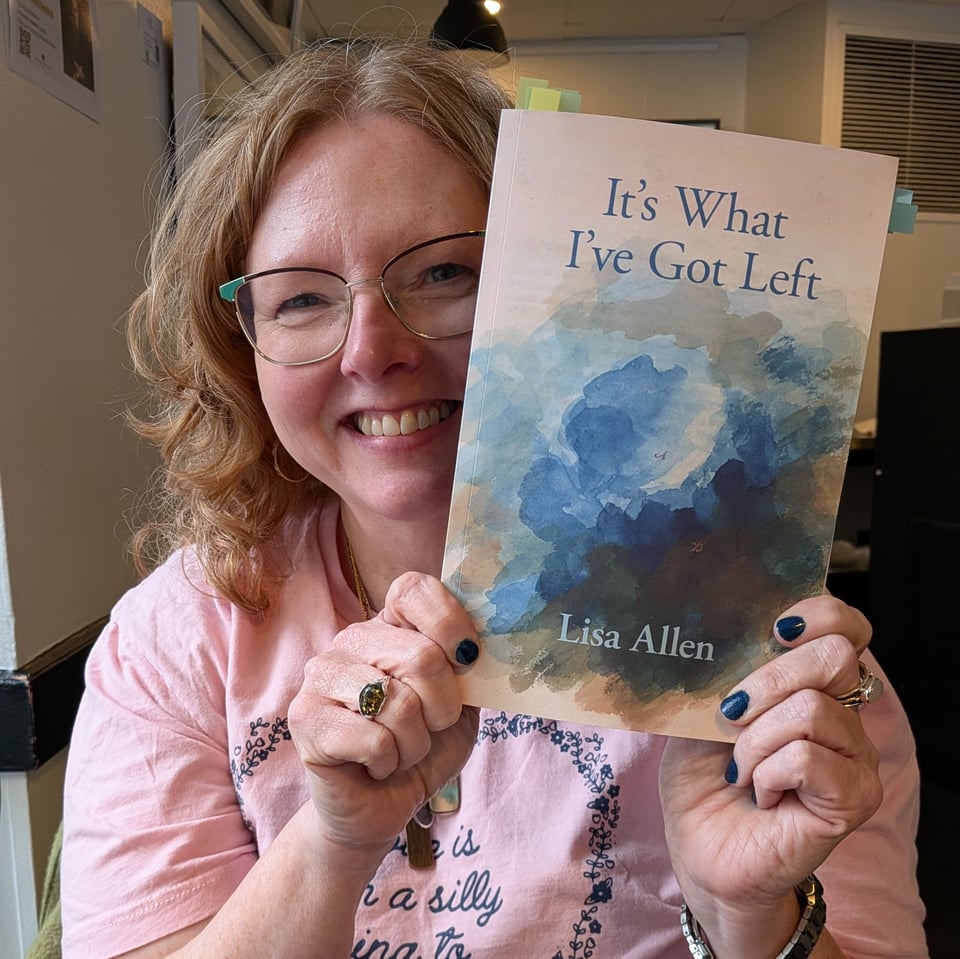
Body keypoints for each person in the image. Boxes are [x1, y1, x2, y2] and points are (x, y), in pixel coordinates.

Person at [61, 37, 928, 959]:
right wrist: (331, 845)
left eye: (443, 273)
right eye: (301, 298)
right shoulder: (183, 638)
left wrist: (753, 917)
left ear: (553, 293)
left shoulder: (774, 669)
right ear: (244, 350)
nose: (368, 350)